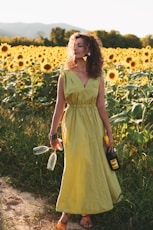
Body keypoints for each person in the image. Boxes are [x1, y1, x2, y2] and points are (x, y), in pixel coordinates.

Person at [48, 32, 122, 229]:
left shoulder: (97, 76)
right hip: (73, 124)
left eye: (80, 45)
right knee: (74, 167)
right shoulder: (65, 75)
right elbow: (59, 106)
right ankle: (66, 214)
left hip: (93, 126)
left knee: (89, 167)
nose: (75, 48)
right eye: (74, 45)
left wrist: (109, 132)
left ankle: (85, 212)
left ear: (89, 50)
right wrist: (52, 133)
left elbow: (101, 107)